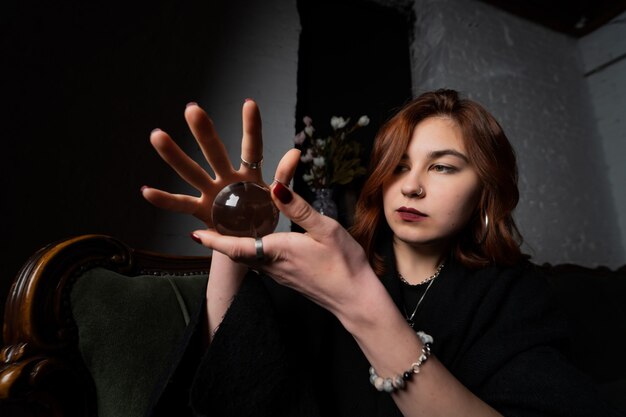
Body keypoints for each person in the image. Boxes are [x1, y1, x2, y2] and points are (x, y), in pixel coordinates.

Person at [141, 90, 623, 416]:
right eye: (398, 165)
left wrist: (360, 304)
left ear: (485, 194)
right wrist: (234, 236)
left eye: (443, 168)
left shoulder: (512, 294)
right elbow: (242, 380)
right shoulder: (326, 261)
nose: (411, 186)